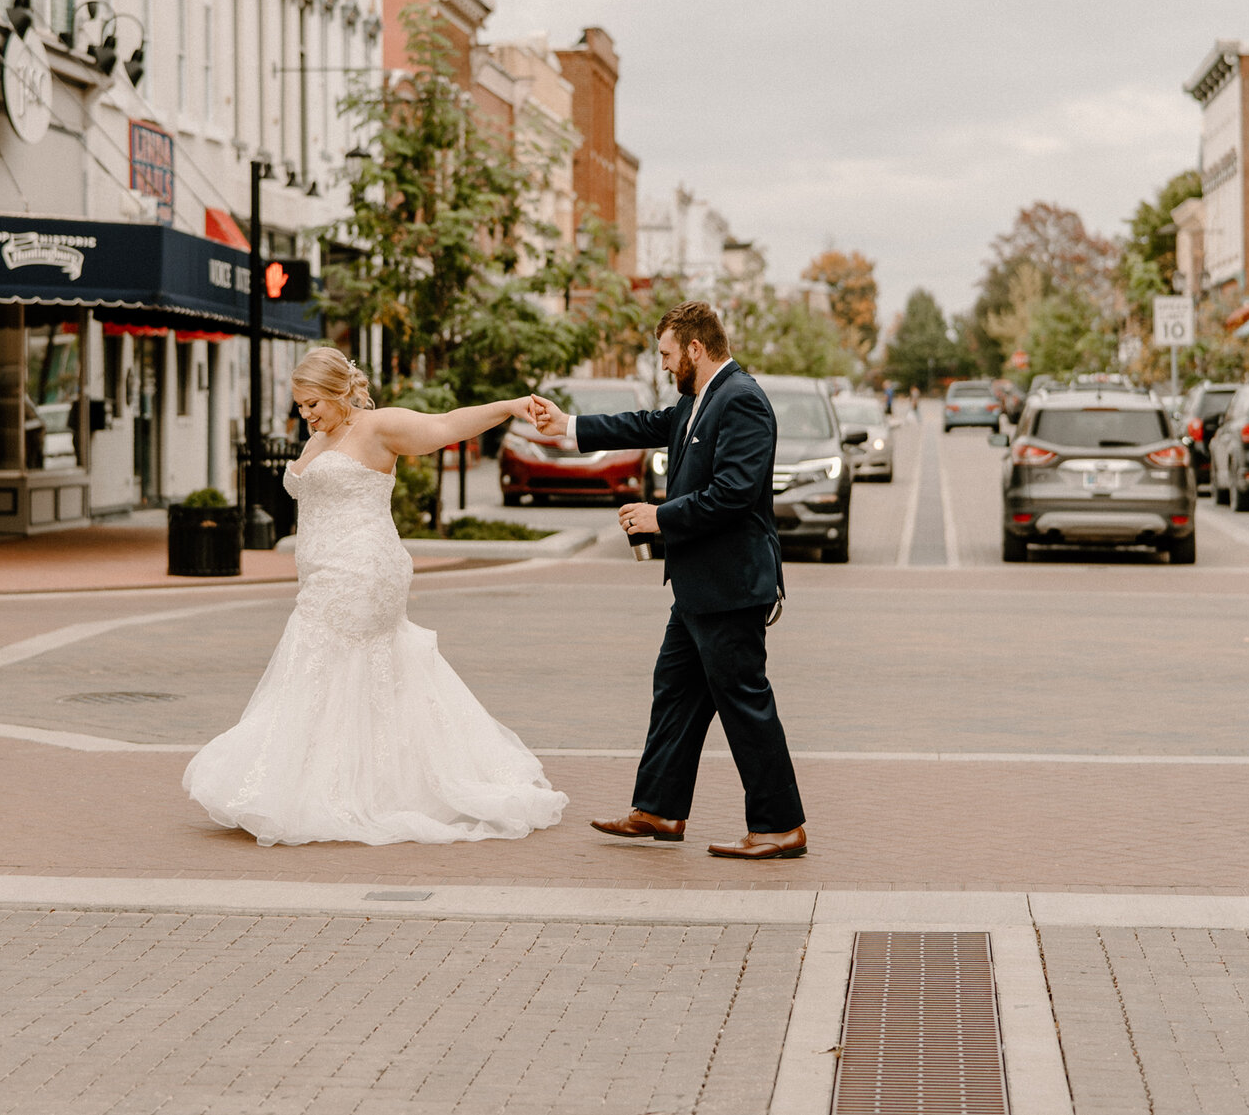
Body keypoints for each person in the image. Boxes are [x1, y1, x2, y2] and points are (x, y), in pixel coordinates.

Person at [183, 346, 568, 846]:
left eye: (314, 403)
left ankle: (334, 789)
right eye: (300, 406)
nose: (306, 415)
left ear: (341, 392)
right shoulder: (319, 437)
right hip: (323, 573)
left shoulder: (376, 427)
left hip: (362, 571)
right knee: (339, 670)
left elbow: (446, 425)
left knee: (326, 663)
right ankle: (338, 781)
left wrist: (509, 407)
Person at [531, 301, 808, 860]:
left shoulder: (743, 400)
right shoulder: (697, 400)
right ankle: (658, 810)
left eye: (665, 353)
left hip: (731, 588)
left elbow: (733, 493)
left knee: (745, 704)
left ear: (695, 349)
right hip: (698, 590)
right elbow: (645, 424)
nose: (661, 364)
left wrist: (660, 516)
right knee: (675, 694)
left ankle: (781, 826)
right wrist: (569, 426)